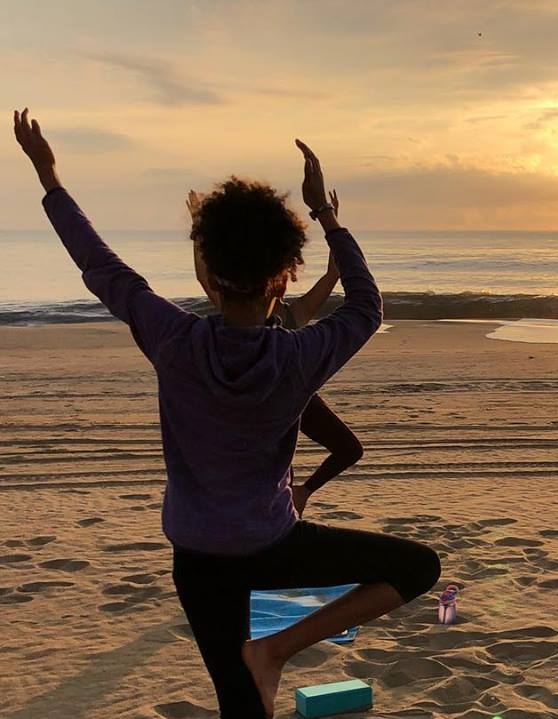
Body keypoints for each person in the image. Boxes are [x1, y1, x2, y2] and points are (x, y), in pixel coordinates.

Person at [13, 107, 441, 719]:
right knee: (417, 566)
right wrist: (328, 217)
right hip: (271, 541)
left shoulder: (171, 338)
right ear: (283, 278)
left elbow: (99, 265)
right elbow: (368, 306)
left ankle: (265, 659)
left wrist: (48, 176)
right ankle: (278, 650)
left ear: (209, 273)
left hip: (196, 553)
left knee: (240, 703)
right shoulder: (299, 355)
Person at [186, 188, 363, 516]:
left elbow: (332, 276)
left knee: (349, 448)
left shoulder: (292, 315)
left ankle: (300, 494)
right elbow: (204, 276)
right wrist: (200, 231)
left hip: (295, 396)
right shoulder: (236, 307)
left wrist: (332, 223)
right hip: (256, 401)